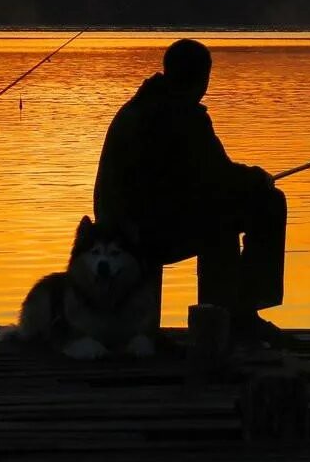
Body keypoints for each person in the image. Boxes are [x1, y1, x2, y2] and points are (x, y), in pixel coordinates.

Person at [93, 39, 286, 342]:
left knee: (219, 213)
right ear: (202, 77)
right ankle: (239, 315)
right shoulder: (180, 115)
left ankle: (230, 312)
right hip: (139, 234)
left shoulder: (141, 106)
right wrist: (258, 178)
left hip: (120, 225)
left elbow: (198, 178)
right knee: (266, 204)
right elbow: (218, 175)